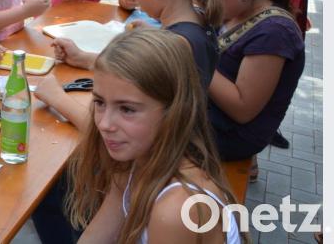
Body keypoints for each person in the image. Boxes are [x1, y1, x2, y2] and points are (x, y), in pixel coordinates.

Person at [63, 29, 242, 243]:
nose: (104, 124)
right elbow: (99, 234)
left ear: (174, 110)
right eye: (100, 102)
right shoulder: (136, 159)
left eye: (127, 109)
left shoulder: (177, 209)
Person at [37, 0, 222, 128]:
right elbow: (134, 77)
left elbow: (116, 130)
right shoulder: (198, 22)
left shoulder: (176, 46)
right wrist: (83, 58)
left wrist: (56, 98)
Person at [201, 0, 305, 177]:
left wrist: (196, 59)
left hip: (231, 136)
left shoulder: (275, 32)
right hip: (212, 114)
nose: (206, 1)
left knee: (141, 124)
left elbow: (242, 109)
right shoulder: (236, 12)